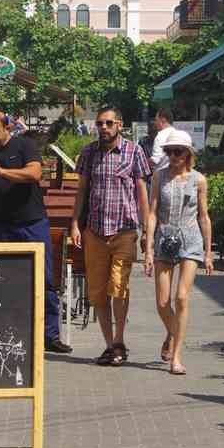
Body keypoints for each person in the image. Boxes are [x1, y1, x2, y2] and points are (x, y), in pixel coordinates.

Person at [0, 109, 72, 354]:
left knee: (44, 279)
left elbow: (34, 174)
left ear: (8, 128)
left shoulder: (25, 145)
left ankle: (50, 336)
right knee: (5, 281)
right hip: (2, 224)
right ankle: (11, 334)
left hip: (32, 222)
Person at [71, 105, 150, 366]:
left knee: (118, 287)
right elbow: (81, 191)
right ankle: (110, 345)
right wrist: (75, 223)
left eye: (108, 123)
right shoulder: (88, 153)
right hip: (94, 231)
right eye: (100, 124)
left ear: (119, 124)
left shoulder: (134, 151)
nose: (103, 128)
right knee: (97, 292)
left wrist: (147, 227)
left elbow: (141, 191)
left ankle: (119, 340)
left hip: (124, 229)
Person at [144, 129, 213, 375]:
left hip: (190, 238)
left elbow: (204, 216)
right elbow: (152, 212)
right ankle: (173, 333)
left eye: (178, 151)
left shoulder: (199, 180)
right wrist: (149, 249)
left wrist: (208, 251)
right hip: (165, 237)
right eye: (169, 151)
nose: (173, 156)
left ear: (188, 154)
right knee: (163, 302)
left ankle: (176, 356)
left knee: (181, 298)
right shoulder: (158, 177)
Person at [150, 108, 174, 172]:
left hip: (162, 177)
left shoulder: (160, 136)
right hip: (177, 175)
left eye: (156, 120)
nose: (155, 123)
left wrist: (142, 162)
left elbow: (155, 160)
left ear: (163, 120)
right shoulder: (177, 134)